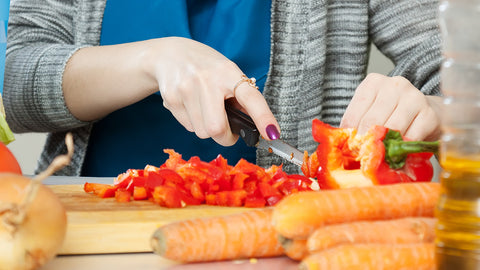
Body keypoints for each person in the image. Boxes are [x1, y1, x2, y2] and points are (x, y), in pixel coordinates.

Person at [4, 0, 442, 177]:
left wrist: (442, 111)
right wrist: (149, 60)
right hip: (86, 233)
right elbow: (14, 88)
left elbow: (455, 70)